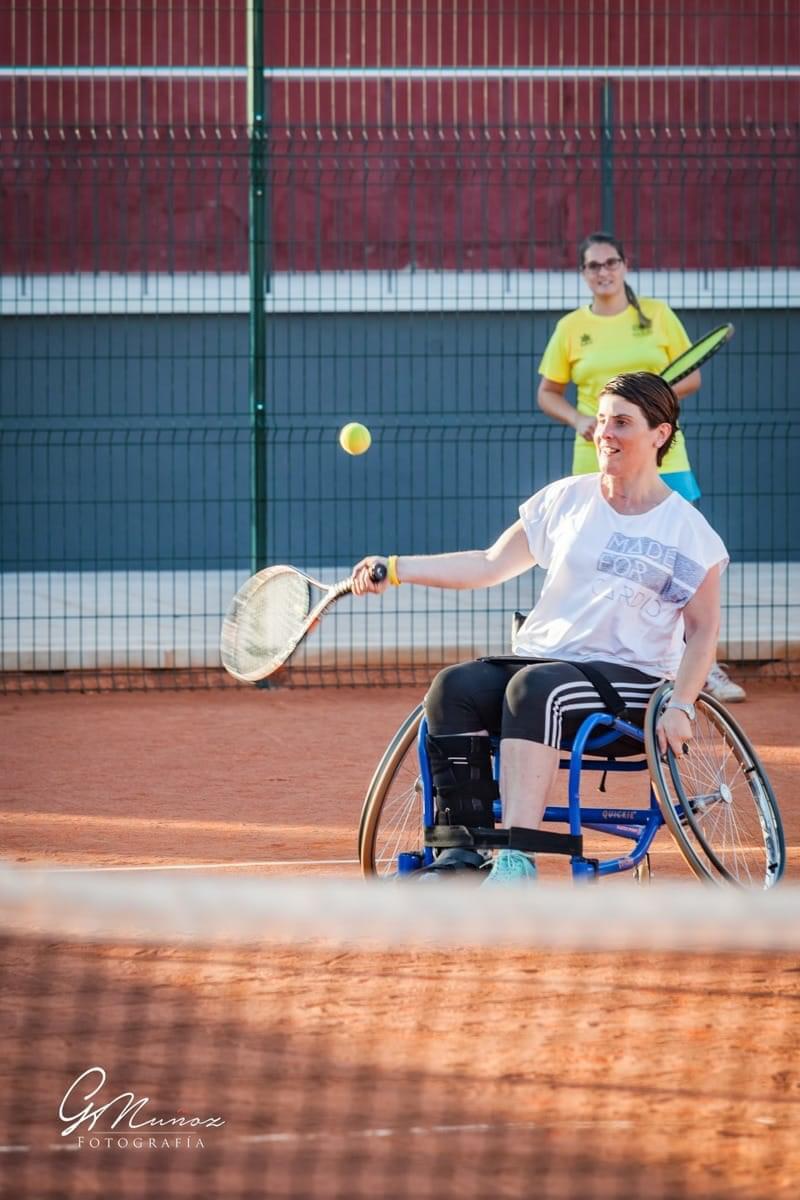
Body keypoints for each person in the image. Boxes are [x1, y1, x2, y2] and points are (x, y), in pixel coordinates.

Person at [352, 371, 728, 884]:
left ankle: (516, 858)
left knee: (537, 687)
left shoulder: (689, 533)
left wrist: (682, 705)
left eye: (621, 423)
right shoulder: (567, 500)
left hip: (631, 681)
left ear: (660, 434)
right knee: (454, 686)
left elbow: (703, 631)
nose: (604, 434)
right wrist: (396, 568)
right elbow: (488, 564)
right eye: (600, 421)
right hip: (545, 662)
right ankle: (461, 853)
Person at [536, 231, 745, 703]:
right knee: (605, 570)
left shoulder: (657, 316)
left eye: (611, 262)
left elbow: (689, 377)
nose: (603, 272)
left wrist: (649, 401)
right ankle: (588, 663)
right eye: (593, 266)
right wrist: (581, 419)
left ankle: (700, 667)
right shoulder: (572, 327)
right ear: (584, 274)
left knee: (685, 568)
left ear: (625, 266)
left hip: (663, 459)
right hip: (598, 458)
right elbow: (548, 393)